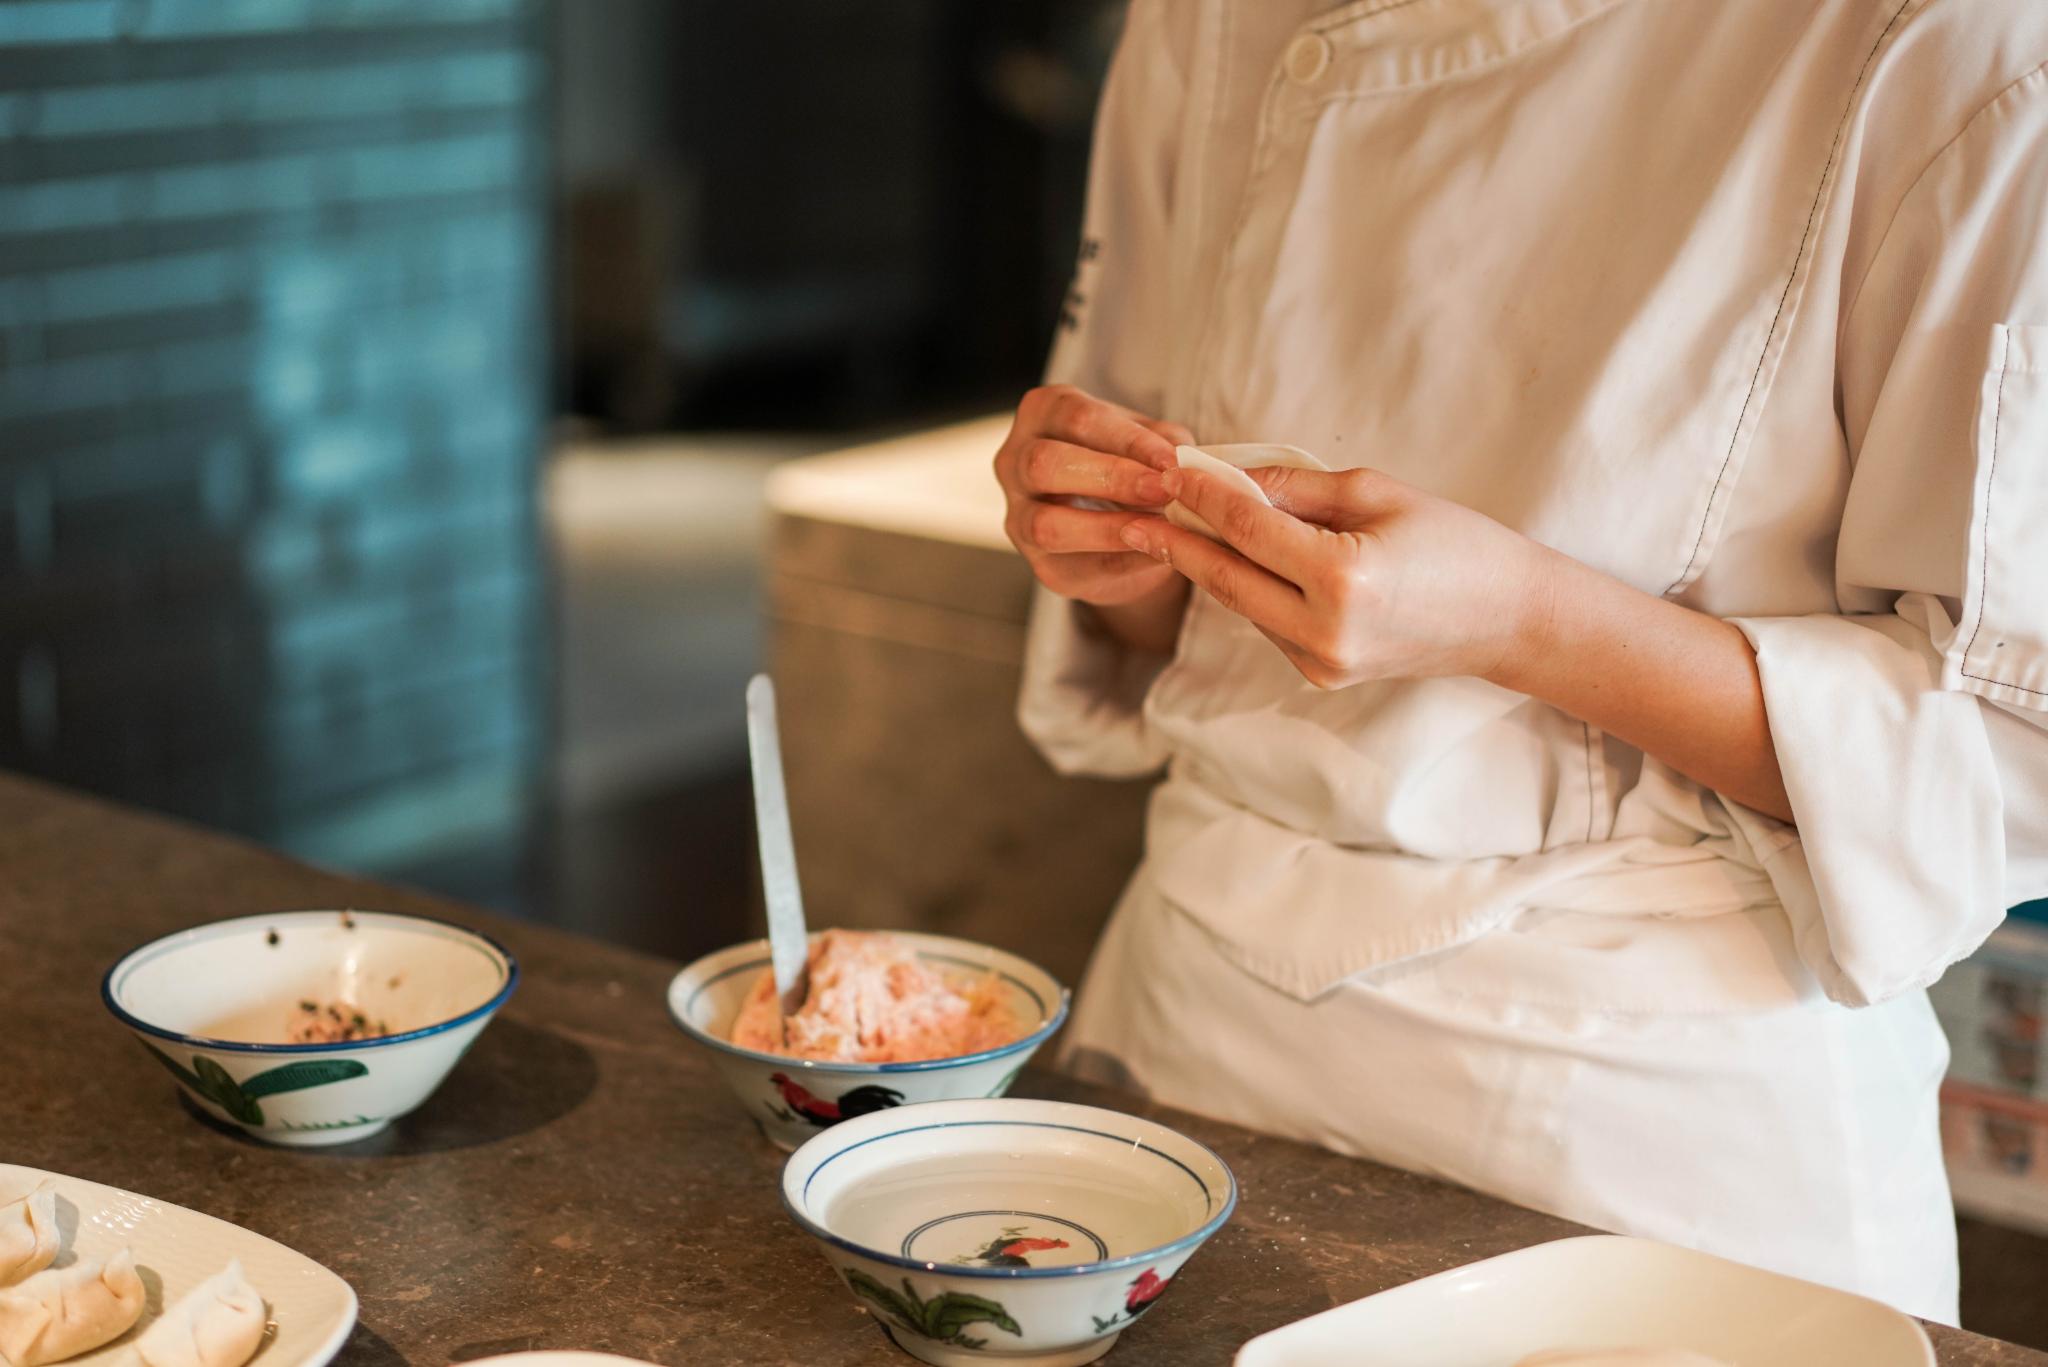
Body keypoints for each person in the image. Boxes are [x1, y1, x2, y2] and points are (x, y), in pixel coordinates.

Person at [993, 0, 2048, 1322]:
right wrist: (1125, 545)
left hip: (1639, 1132)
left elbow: (2007, 752)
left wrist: (1525, 623)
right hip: (1185, 1039)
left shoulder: (1960, 41)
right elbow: (1170, 625)